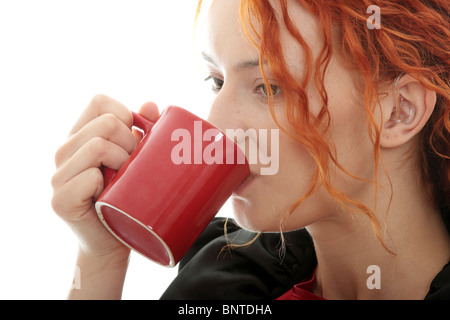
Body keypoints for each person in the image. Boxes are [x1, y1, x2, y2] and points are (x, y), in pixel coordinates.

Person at [51, 0, 450, 300]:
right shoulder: (221, 283)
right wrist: (100, 258)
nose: (216, 127)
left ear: (399, 111)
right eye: (215, 80)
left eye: (269, 87)